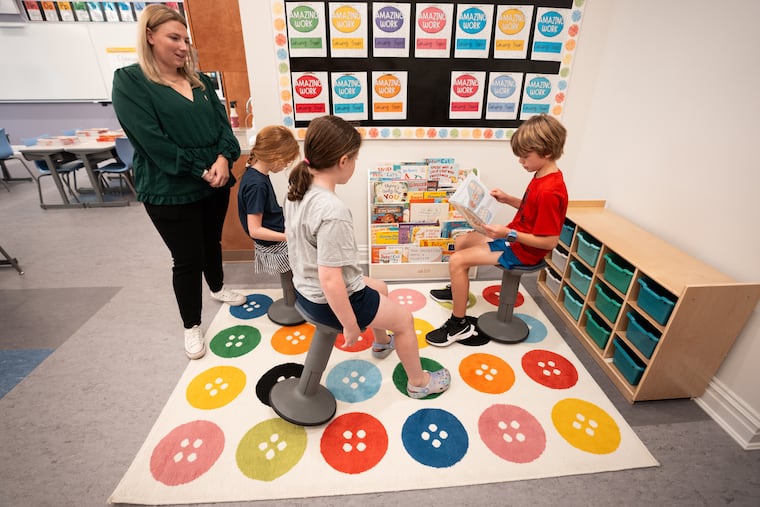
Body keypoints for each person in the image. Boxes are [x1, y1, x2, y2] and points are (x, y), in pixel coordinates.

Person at [112, 4, 246, 360]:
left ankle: (217, 287)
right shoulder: (130, 81)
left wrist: (221, 160)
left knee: (211, 241)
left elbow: (224, 131)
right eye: (174, 37)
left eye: (185, 39)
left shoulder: (200, 82)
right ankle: (191, 325)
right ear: (150, 36)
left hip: (213, 183)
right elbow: (151, 141)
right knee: (186, 258)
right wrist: (202, 169)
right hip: (169, 188)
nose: (183, 46)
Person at [284, 115, 450, 399]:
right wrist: (350, 326)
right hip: (331, 300)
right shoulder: (332, 210)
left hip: (304, 291)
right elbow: (331, 280)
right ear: (344, 160)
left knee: (381, 287)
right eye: (356, 159)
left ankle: (382, 344)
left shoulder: (297, 191)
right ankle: (419, 382)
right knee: (406, 321)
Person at [426, 114, 569, 347]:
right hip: (514, 238)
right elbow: (532, 211)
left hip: (523, 250)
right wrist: (507, 199)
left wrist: (508, 234)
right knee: (462, 240)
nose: (521, 162)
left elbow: (550, 242)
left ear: (547, 152)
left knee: (458, 260)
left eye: (525, 157)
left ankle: (459, 324)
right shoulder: (542, 175)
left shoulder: (550, 190)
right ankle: (457, 292)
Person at [237, 126, 300, 275]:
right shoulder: (257, 185)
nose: (286, 166)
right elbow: (255, 230)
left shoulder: (255, 173)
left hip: (277, 228)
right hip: (274, 243)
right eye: (286, 161)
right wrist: (289, 237)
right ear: (274, 155)